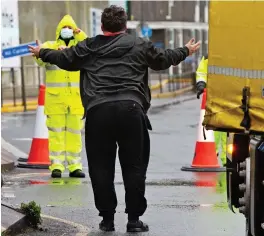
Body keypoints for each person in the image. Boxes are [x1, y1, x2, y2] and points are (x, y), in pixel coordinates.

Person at [29, 5, 201, 233]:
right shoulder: (139, 44)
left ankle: (107, 219)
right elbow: (162, 59)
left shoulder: (88, 46)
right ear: (125, 25)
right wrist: (186, 51)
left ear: (101, 26)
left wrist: (42, 52)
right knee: (134, 167)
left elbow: (64, 58)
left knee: (101, 168)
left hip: (98, 112)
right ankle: (133, 219)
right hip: (131, 110)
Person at [33, 15, 87, 178]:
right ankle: (56, 165)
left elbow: (89, 46)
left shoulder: (79, 49)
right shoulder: (50, 47)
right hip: (55, 100)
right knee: (56, 134)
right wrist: (38, 53)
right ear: (59, 30)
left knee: (74, 135)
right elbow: (41, 62)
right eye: (65, 27)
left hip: (75, 101)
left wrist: (79, 33)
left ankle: (75, 166)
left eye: (71, 28)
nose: (67, 30)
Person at [196, 55, 227, 166]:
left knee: (225, 131)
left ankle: (225, 159)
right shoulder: (210, 56)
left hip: (231, 99)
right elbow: (202, 73)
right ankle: (217, 157)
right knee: (216, 129)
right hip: (215, 99)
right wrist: (201, 84)